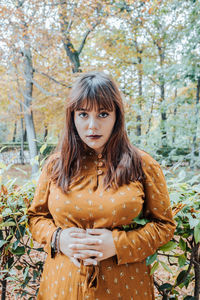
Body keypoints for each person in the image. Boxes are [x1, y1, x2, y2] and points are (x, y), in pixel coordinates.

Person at [28, 71, 176, 300]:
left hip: (125, 288)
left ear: (117, 116)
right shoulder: (55, 165)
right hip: (62, 287)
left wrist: (118, 245)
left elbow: (164, 225)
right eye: (83, 114)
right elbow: (36, 218)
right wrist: (59, 239)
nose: (92, 125)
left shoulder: (143, 165)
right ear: (72, 117)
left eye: (103, 114)